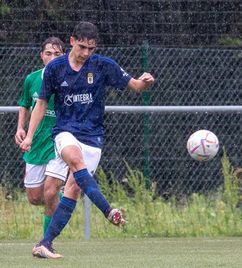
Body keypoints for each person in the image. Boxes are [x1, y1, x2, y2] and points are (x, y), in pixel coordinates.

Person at [20, 21, 155, 259]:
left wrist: (145, 82)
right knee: (74, 160)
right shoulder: (55, 68)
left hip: (93, 136)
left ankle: (45, 243)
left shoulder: (103, 65)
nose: (86, 53)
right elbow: (40, 104)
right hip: (65, 131)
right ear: (72, 41)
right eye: (82, 47)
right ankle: (108, 210)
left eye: (91, 49)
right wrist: (29, 135)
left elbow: (134, 85)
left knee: (73, 188)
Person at [15, 37, 67, 237]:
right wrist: (21, 127)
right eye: (48, 53)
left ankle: (46, 242)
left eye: (57, 54)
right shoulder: (32, 79)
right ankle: (63, 199)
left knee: (50, 191)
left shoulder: (70, 80)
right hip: (36, 142)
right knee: (35, 197)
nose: (52, 57)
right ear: (41, 56)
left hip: (58, 142)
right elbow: (25, 104)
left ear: (63, 56)